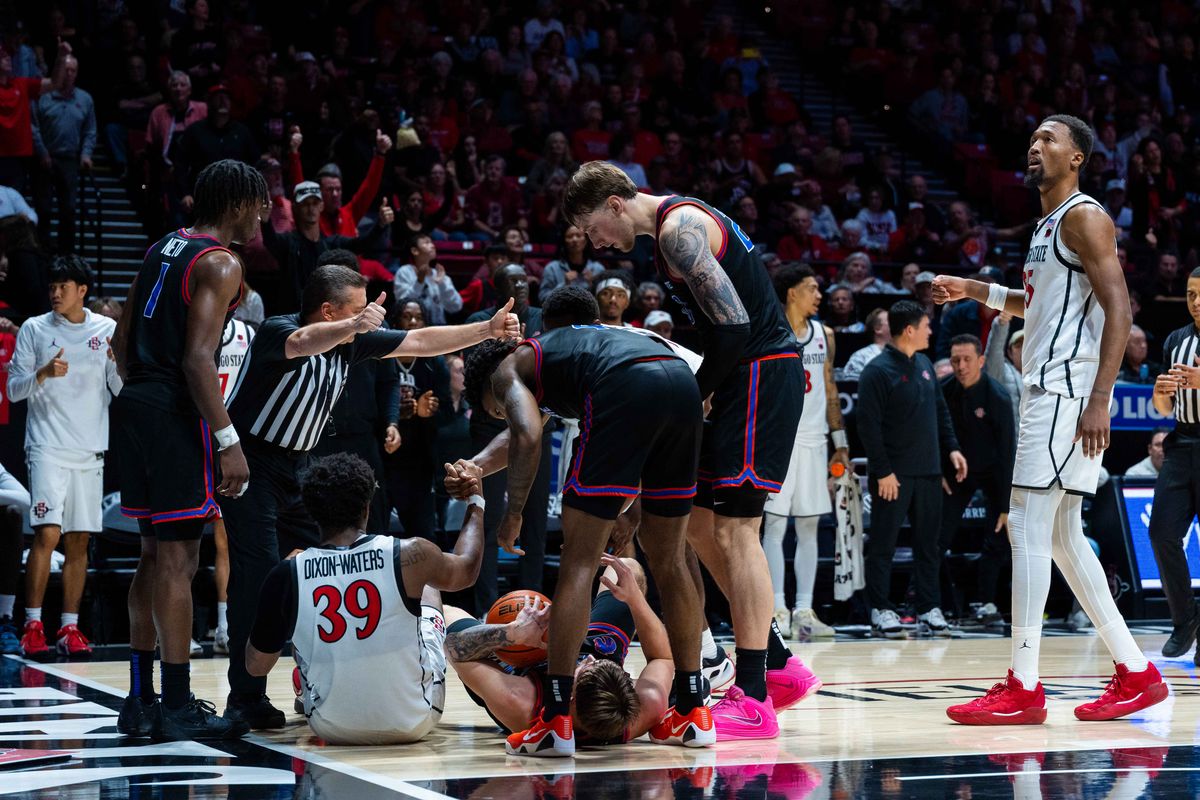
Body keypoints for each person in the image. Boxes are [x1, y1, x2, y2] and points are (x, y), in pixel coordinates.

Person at [563, 161, 817, 741]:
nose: (597, 242)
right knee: (695, 527)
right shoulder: (669, 235)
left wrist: (690, 393)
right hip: (736, 376)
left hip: (757, 371)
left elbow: (732, 328)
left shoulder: (680, 230)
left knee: (736, 531)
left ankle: (752, 694)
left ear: (615, 203)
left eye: (593, 227)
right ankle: (778, 664)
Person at [218, 264, 519, 731]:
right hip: (253, 464)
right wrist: (353, 326)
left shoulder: (354, 342)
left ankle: (321, 673)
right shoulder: (280, 329)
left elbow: (421, 342)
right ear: (328, 310)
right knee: (258, 576)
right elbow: (303, 345)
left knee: (335, 563)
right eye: (359, 310)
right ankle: (244, 697)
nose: (371, 318)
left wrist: (486, 329)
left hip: (300, 467)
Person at [938, 114, 1168, 725]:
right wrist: (972, 288)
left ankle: (1024, 686)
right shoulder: (1048, 225)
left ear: (1077, 158)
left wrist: (1102, 397)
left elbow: (1119, 306)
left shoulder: (1084, 216)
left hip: (1068, 393)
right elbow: (1036, 304)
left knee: (1028, 528)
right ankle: (1138, 674)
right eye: (1033, 138)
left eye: (1049, 139)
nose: (1035, 146)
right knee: (1062, 536)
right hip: (1054, 391)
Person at [463, 323, 714, 756]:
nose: (505, 412)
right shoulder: (564, 356)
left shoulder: (507, 371)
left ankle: (556, 717)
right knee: (671, 557)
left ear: (490, 386)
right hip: (683, 383)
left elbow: (527, 435)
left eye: (498, 410)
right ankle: (693, 709)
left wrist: (515, 513)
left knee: (579, 560)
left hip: (625, 382)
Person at [109, 159, 263, 742]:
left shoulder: (160, 248)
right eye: (260, 202)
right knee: (178, 560)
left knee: (151, 556)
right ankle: (175, 703)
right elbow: (199, 359)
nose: (265, 212)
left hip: (135, 405)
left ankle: (140, 699)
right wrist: (228, 441)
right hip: (175, 409)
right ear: (238, 204)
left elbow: (121, 339)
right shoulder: (220, 261)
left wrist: (141, 400)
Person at [245, 453, 485, 744]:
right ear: (367, 507)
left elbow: (256, 666)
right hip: (414, 719)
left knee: (303, 620)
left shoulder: (288, 571)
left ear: (311, 510)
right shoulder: (411, 555)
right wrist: (476, 502)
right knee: (427, 590)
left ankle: (312, 680)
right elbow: (467, 568)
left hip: (329, 725)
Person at [8, 256, 119, 659]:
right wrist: (41, 373)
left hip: (90, 449)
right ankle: (32, 623)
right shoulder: (36, 329)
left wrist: (116, 364)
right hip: (46, 446)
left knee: (79, 541)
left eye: (63, 286)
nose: (55, 293)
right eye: (52, 287)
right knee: (47, 533)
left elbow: (120, 389)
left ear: (82, 291)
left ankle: (69, 627)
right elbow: (13, 390)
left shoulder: (106, 329)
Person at [445, 555, 675, 745]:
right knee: (626, 569)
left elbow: (454, 647)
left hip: (520, 664)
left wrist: (510, 634)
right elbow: (663, 657)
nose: (590, 658)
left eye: (586, 666)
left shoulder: (519, 701)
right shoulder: (645, 707)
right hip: (587, 671)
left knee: (443, 611)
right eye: (597, 662)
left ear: (570, 697)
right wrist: (636, 601)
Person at [857, 300, 967, 639]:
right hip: (893, 476)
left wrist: (952, 449)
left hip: (929, 472)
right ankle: (880, 609)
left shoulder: (923, 364)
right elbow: (867, 427)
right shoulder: (877, 371)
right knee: (883, 544)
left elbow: (940, 412)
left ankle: (928, 607)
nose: (930, 331)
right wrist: (883, 471)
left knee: (928, 545)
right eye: (925, 326)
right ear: (909, 330)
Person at [764, 265, 848, 641]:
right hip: (779, 440)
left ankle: (803, 610)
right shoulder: (769, 331)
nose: (819, 295)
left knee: (810, 525)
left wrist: (841, 443)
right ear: (792, 293)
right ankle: (775, 608)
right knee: (776, 525)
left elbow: (830, 390)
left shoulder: (824, 335)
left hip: (815, 441)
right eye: (812, 288)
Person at [465, 264, 551, 614]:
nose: (520, 284)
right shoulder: (482, 320)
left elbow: (530, 429)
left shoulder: (544, 319)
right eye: (511, 280)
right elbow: (479, 372)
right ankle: (488, 607)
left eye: (522, 278)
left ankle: (532, 605)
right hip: (490, 428)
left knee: (534, 522)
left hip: (539, 425)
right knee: (488, 518)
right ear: (497, 288)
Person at [938, 334, 1015, 626]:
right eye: (955, 360)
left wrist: (1007, 504)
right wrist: (938, 474)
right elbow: (933, 435)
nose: (960, 365)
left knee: (997, 536)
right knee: (937, 537)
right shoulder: (943, 390)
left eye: (967, 359)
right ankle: (936, 605)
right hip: (956, 472)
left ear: (981, 361)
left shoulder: (998, 396)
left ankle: (987, 603)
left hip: (994, 473)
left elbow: (1008, 451)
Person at [1148, 272, 1200, 660]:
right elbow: (1163, 409)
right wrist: (1159, 393)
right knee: (1162, 532)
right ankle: (1186, 620)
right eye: (1190, 295)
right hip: (1181, 444)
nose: (1196, 302)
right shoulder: (1174, 340)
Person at [31, 49, 94, 253]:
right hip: (45, 158)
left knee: (69, 210)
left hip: (70, 160)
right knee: (44, 209)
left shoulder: (85, 99)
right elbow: (34, 126)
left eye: (73, 70)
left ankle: (66, 256)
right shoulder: (44, 97)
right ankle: (43, 254)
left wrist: (86, 153)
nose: (69, 74)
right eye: (65, 69)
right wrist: (42, 152)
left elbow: (90, 130)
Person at [391, 233, 463, 326]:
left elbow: (456, 306)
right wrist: (419, 282)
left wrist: (442, 284)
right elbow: (402, 305)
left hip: (438, 327)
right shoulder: (404, 272)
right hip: (413, 327)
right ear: (415, 250)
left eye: (432, 242)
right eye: (427, 243)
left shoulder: (439, 275)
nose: (432, 245)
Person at [841, 307, 889, 380]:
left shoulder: (906, 354)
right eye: (891, 320)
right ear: (877, 328)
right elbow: (850, 387)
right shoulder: (860, 357)